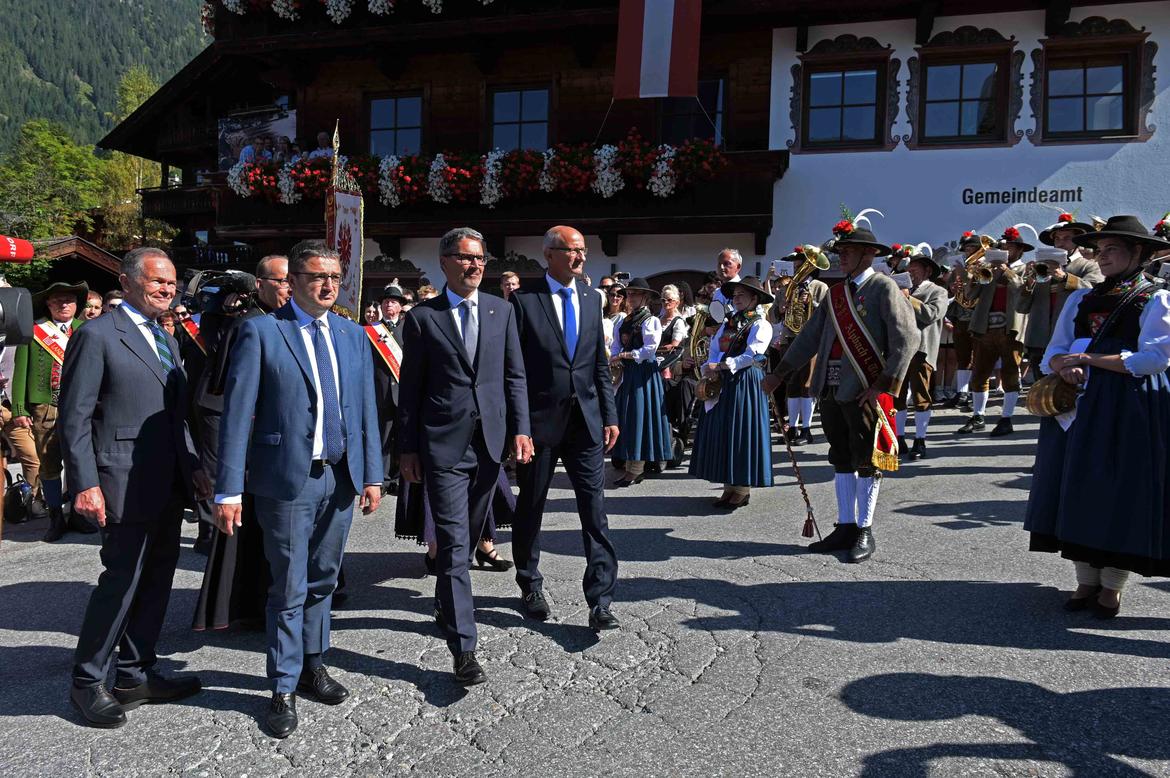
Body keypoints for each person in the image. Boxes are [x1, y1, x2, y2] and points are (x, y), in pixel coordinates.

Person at [214, 240, 382, 738]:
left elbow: (366, 410)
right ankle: (283, 684)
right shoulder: (262, 331)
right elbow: (237, 414)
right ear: (293, 282)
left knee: (324, 578)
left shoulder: (352, 335)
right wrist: (228, 489)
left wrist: (372, 474)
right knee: (288, 584)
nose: (328, 285)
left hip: (340, 477)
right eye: (316, 276)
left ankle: (313, 664)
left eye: (334, 277)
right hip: (287, 479)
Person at [59, 247, 209, 729]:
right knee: (121, 582)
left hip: (168, 482)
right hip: (120, 480)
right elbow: (75, 418)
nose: (168, 288)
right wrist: (84, 483)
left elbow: (177, 416)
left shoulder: (167, 338)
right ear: (126, 283)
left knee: (158, 580)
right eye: (157, 280)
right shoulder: (97, 335)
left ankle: (135, 674)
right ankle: (87, 680)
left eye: (172, 282)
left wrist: (195, 466)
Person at [397, 227, 532, 686]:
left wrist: (521, 429)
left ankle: (445, 596)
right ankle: (463, 648)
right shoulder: (423, 318)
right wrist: (408, 448)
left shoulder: (501, 310)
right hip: (443, 445)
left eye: (480, 258)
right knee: (455, 543)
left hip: (490, 443)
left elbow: (514, 376)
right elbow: (410, 390)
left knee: (470, 536)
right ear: (444, 262)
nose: (475, 265)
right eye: (466, 257)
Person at [1024, 215, 1170, 619]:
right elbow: (1054, 350)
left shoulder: (1154, 298)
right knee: (1075, 486)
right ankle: (1085, 579)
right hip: (1076, 405)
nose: (1102, 257)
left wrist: (1088, 359)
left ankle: (1112, 586)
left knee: (1119, 492)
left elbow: (1154, 359)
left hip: (1128, 404)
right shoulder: (1080, 299)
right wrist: (1062, 365)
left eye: (1112, 250)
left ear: (1138, 253)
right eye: (1100, 250)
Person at [765, 212, 916, 563]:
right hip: (831, 388)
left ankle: (864, 529)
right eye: (840, 251)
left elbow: (907, 339)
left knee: (867, 459)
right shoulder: (835, 294)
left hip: (864, 388)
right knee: (840, 457)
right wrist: (780, 374)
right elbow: (808, 338)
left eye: (848, 251)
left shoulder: (883, 287)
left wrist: (883, 384)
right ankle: (846, 525)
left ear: (868, 254)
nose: (841, 256)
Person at [509, 225, 620, 632]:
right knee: (531, 506)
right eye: (571, 250)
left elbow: (599, 364)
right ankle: (530, 584)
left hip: (585, 422)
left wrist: (609, 415)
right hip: (540, 424)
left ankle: (601, 600)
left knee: (594, 510)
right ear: (549, 254)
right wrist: (519, 426)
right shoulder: (524, 300)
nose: (579, 257)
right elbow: (515, 370)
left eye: (582, 250)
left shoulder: (592, 299)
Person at [193, 254, 289, 632]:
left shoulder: (287, 319)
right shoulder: (247, 323)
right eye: (281, 281)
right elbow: (228, 381)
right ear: (260, 284)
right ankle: (245, 601)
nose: (289, 288)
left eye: (292, 280)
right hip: (248, 430)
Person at [11, 281, 93, 542]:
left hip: (82, 406)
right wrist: (19, 408)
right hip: (46, 407)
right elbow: (21, 370)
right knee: (48, 463)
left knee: (80, 460)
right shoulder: (34, 331)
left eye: (69, 300)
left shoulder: (87, 329)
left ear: (77, 304)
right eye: (58, 300)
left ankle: (79, 514)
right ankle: (56, 515)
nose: (64, 304)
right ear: (48, 303)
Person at [689, 276, 774, 508]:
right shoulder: (729, 323)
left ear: (754, 299)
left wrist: (723, 365)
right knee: (725, 431)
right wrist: (711, 366)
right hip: (724, 380)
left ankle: (742, 489)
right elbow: (715, 348)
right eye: (734, 295)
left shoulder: (760, 324)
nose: (736, 299)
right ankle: (729, 486)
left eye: (741, 295)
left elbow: (753, 354)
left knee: (742, 431)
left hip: (746, 381)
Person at [958, 226, 1028, 437]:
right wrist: (972, 276)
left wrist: (1005, 271)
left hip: (1010, 329)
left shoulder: (1026, 268)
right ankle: (978, 416)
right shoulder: (987, 268)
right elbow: (971, 295)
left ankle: (1006, 418)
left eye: (1010, 247)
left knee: (1010, 374)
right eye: (1003, 247)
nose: (1005, 250)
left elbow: (1022, 289)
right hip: (985, 327)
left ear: (1019, 250)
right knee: (979, 373)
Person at [610, 277, 672, 487]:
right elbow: (616, 344)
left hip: (643, 374)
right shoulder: (624, 320)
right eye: (629, 294)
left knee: (639, 417)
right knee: (627, 417)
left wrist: (626, 355)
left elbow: (649, 350)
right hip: (628, 373)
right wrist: (615, 356)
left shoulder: (650, 320)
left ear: (645, 297)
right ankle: (630, 467)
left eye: (635, 294)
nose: (631, 297)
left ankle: (636, 469)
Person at [766, 247, 830, 446]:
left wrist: (812, 302)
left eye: (800, 265)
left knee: (806, 385)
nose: (796, 269)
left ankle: (806, 429)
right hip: (789, 339)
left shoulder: (820, 287)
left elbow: (827, 314)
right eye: (794, 266)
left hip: (810, 341)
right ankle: (792, 428)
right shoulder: (785, 288)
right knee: (791, 385)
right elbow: (772, 317)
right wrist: (781, 308)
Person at [896, 245, 948, 460]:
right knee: (897, 395)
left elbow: (931, 314)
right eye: (908, 270)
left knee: (920, 395)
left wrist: (908, 298)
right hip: (899, 350)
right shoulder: (900, 290)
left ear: (927, 271)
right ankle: (898, 438)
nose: (910, 273)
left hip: (921, 349)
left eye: (914, 269)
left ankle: (920, 439)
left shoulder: (938, 291)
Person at [1018, 247, 1093, 380]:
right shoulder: (1040, 268)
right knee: (1041, 387)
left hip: (1070, 341)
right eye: (1057, 238)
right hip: (1038, 340)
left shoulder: (1088, 266)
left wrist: (1065, 277)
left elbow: (1094, 291)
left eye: (1066, 238)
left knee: (1068, 388)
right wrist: (1029, 284)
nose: (1060, 242)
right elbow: (1021, 308)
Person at [368, 284, 407, 495]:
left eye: (393, 301)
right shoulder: (373, 331)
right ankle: (382, 478)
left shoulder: (409, 328)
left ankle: (399, 477)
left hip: (404, 391)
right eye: (385, 301)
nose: (388, 304)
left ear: (400, 306)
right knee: (382, 437)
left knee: (401, 436)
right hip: (380, 392)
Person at [943, 231, 986, 410]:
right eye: (966, 248)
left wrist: (965, 274)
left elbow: (982, 287)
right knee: (962, 356)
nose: (968, 251)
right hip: (961, 315)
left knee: (977, 356)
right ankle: (962, 392)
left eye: (972, 247)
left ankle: (975, 392)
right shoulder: (961, 265)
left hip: (976, 315)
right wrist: (953, 286)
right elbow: (953, 288)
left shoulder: (984, 264)